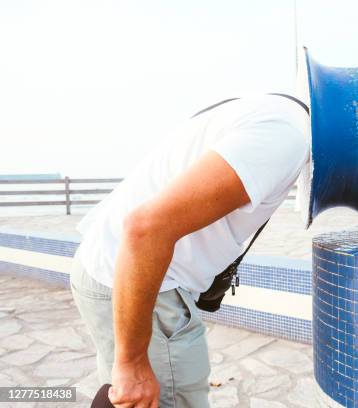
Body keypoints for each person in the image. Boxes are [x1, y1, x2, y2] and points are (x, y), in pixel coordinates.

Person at [70, 94, 310, 407]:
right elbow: (145, 228)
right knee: (143, 390)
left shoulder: (272, 112)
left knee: (128, 396)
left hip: (111, 269)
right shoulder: (284, 135)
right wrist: (132, 363)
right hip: (145, 284)